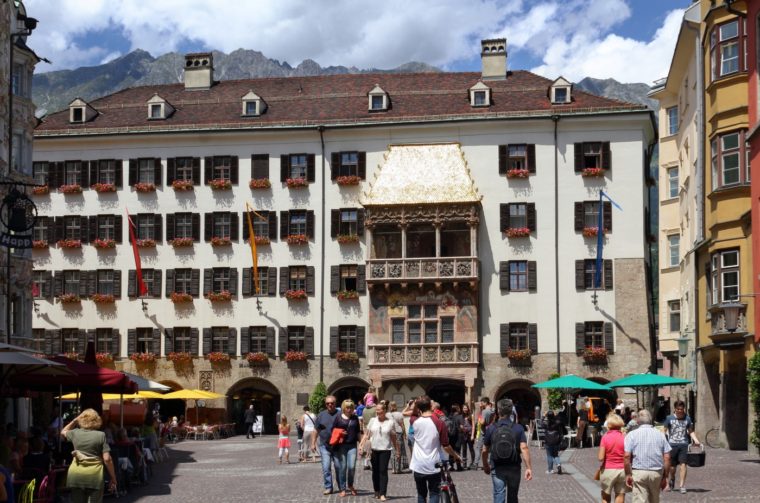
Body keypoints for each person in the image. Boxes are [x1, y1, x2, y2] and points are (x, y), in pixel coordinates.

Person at [408, 396, 462, 503]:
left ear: (418, 407)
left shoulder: (414, 421)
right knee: (434, 493)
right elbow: (446, 445)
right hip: (433, 464)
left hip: (418, 464)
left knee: (421, 494)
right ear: (431, 406)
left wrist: (416, 403)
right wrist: (456, 456)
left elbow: (413, 412)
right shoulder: (439, 423)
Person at [60, 408, 118, 503]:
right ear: (97, 420)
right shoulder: (100, 435)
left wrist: (75, 420)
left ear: (81, 419)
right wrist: (113, 478)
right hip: (94, 477)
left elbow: (63, 431)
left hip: (76, 476)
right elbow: (107, 459)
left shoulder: (75, 433)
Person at [482, 398, 532, 503]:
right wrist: (528, 468)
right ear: (511, 412)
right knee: (513, 496)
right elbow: (524, 448)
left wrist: (485, 465)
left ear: (498, 411)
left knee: (499, 493)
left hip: (497, 466)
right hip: (514, 466)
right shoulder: (518, 428)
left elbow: (485, 449)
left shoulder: (491, 428)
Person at [623, 409, 672, 503]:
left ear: (637, 421)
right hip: (656, 472)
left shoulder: (632, 435)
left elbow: (626, 456)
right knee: (655, 499)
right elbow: (667, 457)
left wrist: (628, 473)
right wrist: (665, 476)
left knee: (640, 500)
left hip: (639, 471)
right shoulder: (660, 434)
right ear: (651, 420)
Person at [360, 403, 399, 501]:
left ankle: (383, 493)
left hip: (385, 449)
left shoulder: (390, 422)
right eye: (376, 410)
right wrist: (361, 444)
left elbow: (394, 438)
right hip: (373, 449)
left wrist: (397, 450)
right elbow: (367, 434)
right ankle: (376, 490)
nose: (377, 412)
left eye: (379, 410)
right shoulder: (373, 421)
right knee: (375, 471)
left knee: (383, 471)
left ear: (384, 410)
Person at [664, 400, 700, 494]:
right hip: (672, 445)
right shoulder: (669, 418)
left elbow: (690, 431)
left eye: (682, 409)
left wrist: (696, 440)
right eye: (678, 409)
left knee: (683, 464)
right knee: (672, 467)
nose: (680, 411)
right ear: (675, 409)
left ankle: (682, 485)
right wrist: (663, 442)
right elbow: (663, 431)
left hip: (684, 444)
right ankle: (672, 478)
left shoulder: (687, 419)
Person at [313, 395, 341, 496]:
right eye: (327, 403)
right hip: (324, 445)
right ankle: (328, 487)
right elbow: (316, 430)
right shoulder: (321, 415)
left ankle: (341, 486)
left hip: (338, 446)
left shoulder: (340, 414)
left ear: (335, 403)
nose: (330, 405)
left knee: (339, 467)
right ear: (325, 404)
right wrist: (313, 443)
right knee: (326, 467)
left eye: (332, 403)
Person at [333, 399, 361, 497]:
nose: (349, 409)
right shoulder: (338, 417)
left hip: (352, 445)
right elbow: (333, 430)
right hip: (341, 445)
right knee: (343, 467)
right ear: (344, 408)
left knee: (352, 467)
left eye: (351, 407)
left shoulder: (355, 418)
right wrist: (340, 432)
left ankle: (350, 484)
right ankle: (343, 487)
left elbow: (358, 431)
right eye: (347, 407)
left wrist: (361, 444)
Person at [598, 413, 629, 503]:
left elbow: (600, 457)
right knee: (620, 494)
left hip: (608, 469)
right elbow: (628, 455)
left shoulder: (605, 437)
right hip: (622, 470)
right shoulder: (625, 437)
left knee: (605, 496)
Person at [471, 396, 493, 470]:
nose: (481, 404)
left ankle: (475, 464)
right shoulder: (492, 410)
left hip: (483, 432)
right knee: (489, 448)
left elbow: (482, 422)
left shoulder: (484, 411)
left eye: (482, 402)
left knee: (478, 448)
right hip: (490, 431)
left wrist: (479, 420)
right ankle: (490, 463)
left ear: (485, 403)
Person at [542, 410, 565, 474]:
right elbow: (561, 429)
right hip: (556, 440)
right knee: (555, 455)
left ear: (548, 416)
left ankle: (550, 469)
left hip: (548, 441)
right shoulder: (557, 422)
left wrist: (543, 416)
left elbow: (540, 424)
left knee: (549, 455)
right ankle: (558, 465)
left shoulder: (546, 423)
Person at [388, 401, 407, 474]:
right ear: (396, 406)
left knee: (392, 450)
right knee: (399, 450)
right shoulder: (399, 414)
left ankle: (393, 468)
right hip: (398, 433)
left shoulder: (387, 414)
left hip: (391, 432)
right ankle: (398, 468)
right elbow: (402, 425)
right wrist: (405, 434)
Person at [448, 404, 464, 471]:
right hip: (458, 435)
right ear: (458, 409)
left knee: (451, 450)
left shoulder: (449, 417)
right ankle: (458, 466)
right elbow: (461, 427)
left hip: (451, 435)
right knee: (457, 450)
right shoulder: (460, 417)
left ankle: (451, 466)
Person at [460, 404, 475, 469]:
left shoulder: (471, 415)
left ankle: (472, 462)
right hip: (463, 434)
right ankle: (464, 463)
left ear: (468, 409)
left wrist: (472, 435)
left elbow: (473, 426)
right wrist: (461, 427)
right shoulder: (461, 416)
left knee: (471, 449)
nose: (465, 409)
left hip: (469, 434)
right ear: (462, 409)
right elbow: (460, 425)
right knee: (464, 449)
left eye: (466, 408)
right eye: (464, 408)